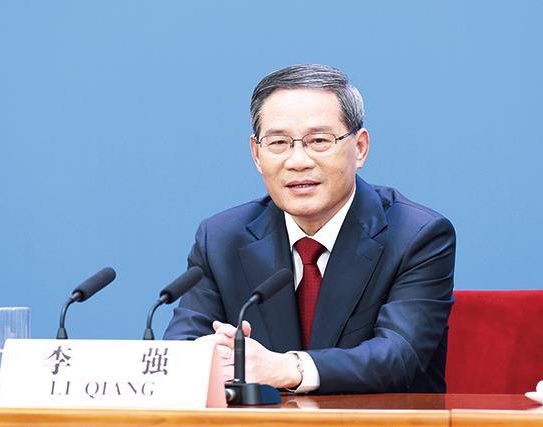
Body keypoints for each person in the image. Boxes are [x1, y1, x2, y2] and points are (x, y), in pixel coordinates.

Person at [164, 64, 456, 394]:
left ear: (360, 147)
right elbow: (183, 346)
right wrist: (202, 357)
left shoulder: (417, 235)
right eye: (279, 142)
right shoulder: (221, 239)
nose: (298, 161)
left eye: (319, 140)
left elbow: (398, 356)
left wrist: (288, 368)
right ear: (257, 154)